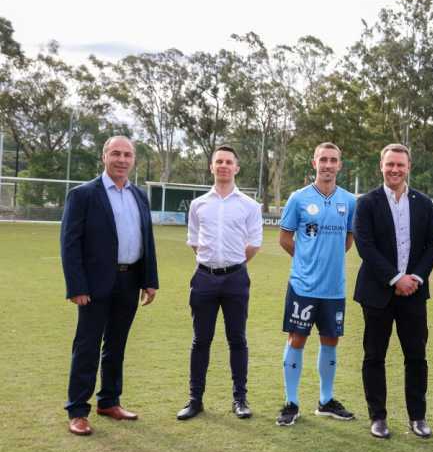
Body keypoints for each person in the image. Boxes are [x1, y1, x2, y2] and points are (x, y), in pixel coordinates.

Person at [60, 136, 158, 436]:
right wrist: (77, 285)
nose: (122, 159)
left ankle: (109, 401)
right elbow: (70, 243)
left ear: (133, 160)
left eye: (127, 155)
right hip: (94, 284)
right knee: (87, 345)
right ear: (104, 157)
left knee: (117, 345)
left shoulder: (139, 196)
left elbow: (146, 240)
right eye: (115, 153)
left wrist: (149, 280)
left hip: (129, 280)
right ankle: (77, 410)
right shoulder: (83, 195)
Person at [354, 143, 433, 439]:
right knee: (374, 356)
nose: (395, 169)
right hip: (377, 293)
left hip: (414, 293)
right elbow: (365, 246)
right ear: (381, 166)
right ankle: (377, 417)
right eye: (390, 164)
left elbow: (432, 246)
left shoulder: (424, 203)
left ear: (408, 168)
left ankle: (418, 417)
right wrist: (394, 278)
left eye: (400, 165)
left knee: (416, 356)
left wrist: (414, 277)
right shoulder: (367, 203)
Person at [176, 146, 263, 421]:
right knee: (200, 340)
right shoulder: (198, 204)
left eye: (229, 162)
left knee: (237, 339)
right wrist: (212, 264)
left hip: (236, 278)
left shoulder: (249, 205)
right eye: (219, 162)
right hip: (204, 278)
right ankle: (195, 399)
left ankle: (240, 399)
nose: (224, 166)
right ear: (211, 167)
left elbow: (254, 244)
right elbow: (194, 241)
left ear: (237, 168)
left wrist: (231, 265)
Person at [275, 143, 358, 426]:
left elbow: (349, 239)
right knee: (297, 339)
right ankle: (291, 402)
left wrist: (329, 260)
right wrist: (306, 261)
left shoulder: (349, 201)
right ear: (314, 163)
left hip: (334, 286)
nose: (328, 165)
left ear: (340, 165)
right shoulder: (298, 199)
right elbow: (285, 238)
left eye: (333, 160)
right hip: (303, 285)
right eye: (323, 159)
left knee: (330, 341)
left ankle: (325, 400)